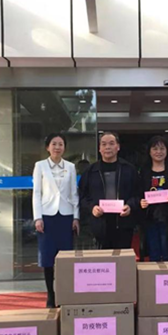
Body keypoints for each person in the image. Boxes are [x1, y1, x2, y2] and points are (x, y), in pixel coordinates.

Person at [32, 134, 80, 308]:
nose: (57, 147)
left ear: (64, 147)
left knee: (65, 259)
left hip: (66, 216)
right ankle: (50, 295)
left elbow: (74, 193)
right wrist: (37, 217)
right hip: (47, 216)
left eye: (61, 144)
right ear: (47, 147)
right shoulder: (40, 166)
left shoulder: (71, 167)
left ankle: (63, 293)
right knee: (47, 257)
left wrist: (76, 217)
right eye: (54, 144)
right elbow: (37, 193)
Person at [79, 132, 140, 249]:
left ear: (118, 147)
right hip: (99, 225)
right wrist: (92, 208)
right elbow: (82, 196)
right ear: (99, 148)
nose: (107, 147)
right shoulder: (90, 171)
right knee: (103, 258)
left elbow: (138, 194)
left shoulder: (129, 169)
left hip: (123, 224)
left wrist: (130, 206)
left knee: (122, 258)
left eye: (111, 144)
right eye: (104, 144)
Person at [140, 136, 168, 261]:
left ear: (167, 151)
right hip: (150, 217)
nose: (158, 152)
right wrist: (141, 201)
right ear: (149, 151)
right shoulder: (144, 171)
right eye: (155, 149)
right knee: (153, 252)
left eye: (162, 149)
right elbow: (138, 192)